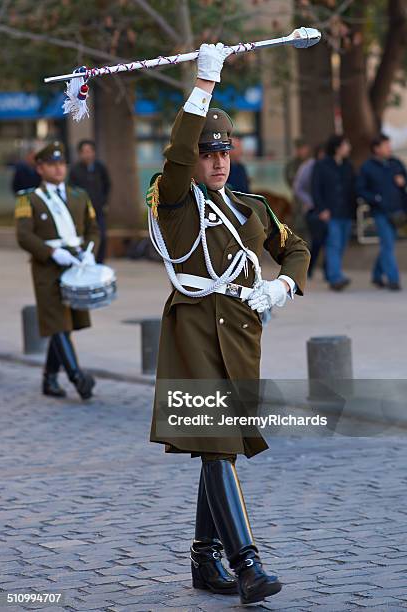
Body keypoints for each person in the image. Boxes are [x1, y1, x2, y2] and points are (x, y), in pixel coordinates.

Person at [148, 43, 310, 605]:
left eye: (225, 151)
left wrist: (282, 286)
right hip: (193, 334)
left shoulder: (252, 207)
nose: (217, 161)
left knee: (221, 445)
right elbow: (173, 155)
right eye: (207, 152)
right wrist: (204, 85)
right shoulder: (173, 200)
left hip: (241, 335)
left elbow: (297, 250)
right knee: (218, 446)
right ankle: (248, 565)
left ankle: (203, 556)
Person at [15, 142, 99, 400]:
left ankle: (49, 379)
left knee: (65, 323)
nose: (58, 168)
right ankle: (77, 377)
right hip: (47, 269)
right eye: (52, 164)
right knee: (57, 321)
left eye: (61, 163)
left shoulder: (79, 195)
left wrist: (88, 251)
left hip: (76, 265)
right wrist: (52, 253)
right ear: (40, 168)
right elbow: (24, 235)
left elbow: (92, 229)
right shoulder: (28, 199)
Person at [357, 133, 406, 290]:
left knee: (387, 244)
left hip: (397, 212)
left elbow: (404, 181)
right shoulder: (367, 167)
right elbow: (360, 189)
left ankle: (377, 275)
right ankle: (393, 279)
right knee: (388, 244)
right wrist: (376, 198)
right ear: (376, 149)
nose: (389, 148)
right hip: (380, 212)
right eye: (386, 145)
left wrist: (402, 182)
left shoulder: (396, 163)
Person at [312, 135, 355, 291]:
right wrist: (321, 209)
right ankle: (336, 278)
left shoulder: (348, 166)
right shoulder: (321, 165)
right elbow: (315, 189)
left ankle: (332, 273)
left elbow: (352, 188)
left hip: (346, 212)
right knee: (333, 244)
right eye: (346, 144)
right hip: (330, 213)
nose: (349, 147)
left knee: (342, 245)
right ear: (337, 147)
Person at [69, 139, 111, 263]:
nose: (87, 154)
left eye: (90, 151)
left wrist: (103, 201)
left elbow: (107, 185)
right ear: (80, 153)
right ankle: (86, 262)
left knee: (102, 236)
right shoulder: (75, 170)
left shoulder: (100, 168)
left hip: (98, 210)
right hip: (82, 211)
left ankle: (100, 262)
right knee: (85, 237)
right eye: (84, 152)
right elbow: (71, 189)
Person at [293, 144, 327, 278]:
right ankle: (310, 267)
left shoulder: (328, 167)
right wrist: (311, 202)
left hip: (327, 210)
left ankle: (328, 270)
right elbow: (298, 187)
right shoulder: (309, 167)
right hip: (312, 210)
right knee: (316, 241)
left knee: (328, 241)